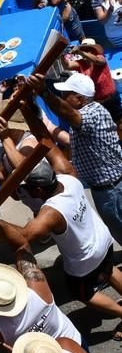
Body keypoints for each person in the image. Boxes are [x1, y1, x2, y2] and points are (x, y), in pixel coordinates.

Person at [0, 147, 122, 341]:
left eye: (28, 187)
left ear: (39, 189)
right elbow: (50, 146)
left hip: (85, 260)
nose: (25, 191)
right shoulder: (67, 176)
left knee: (83, 293)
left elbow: (23, 237)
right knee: (109, 271)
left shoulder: (51, 213)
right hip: (103, 240)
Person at [28, 72, 122, 245]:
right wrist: (32, 106)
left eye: (66, 95)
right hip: (106, 188)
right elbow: (63, 135)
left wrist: (44, 92)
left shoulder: (90, 115)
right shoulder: (86, 119)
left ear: (79, 99)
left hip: (111, 192)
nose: (62, 98)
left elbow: (65, 111)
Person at [62, 38, 122, 131]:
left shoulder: (100, 58)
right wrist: (62, 54)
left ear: (94, 51)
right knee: (105, 124)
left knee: (118, 121)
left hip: (111, 99)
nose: (86, 52)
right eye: (84, 49)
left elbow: (97, 61)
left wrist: (80, 52)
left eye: (88, 49)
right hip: (97, 103)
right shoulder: (81, 64)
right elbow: (67, 66)